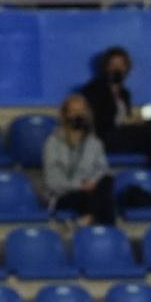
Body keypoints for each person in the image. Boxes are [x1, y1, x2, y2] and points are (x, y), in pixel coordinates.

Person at [80, 47, 151, 176]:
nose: (117, 69)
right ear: (105, 67)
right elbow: (100, 121)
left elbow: (124, 118)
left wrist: (134, 121)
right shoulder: (95, 89)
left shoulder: (124, 93)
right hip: (104, 138)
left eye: (121, 65)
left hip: (120, 135)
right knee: (149, 129)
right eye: (113, 65)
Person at [43, 94, 115, 227]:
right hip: (63, 194)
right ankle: (107, 229)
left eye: (82, 111)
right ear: (65, 115)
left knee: (107, 181)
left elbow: (102, 170)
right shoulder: (52, 143)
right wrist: (79, 186)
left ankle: (88, 219)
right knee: (104, 201)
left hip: (91, 191)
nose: (78, 115)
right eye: (74, 111)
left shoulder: (94, 143)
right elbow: (52, 181)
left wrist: (92, 183)